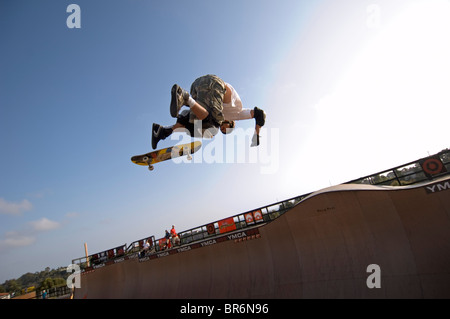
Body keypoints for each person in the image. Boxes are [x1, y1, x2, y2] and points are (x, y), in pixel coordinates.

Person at [151, 74, 266, 149]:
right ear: (230, 123)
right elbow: (260, 114)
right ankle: (185, 97)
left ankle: (162, 131)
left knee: (193, 126)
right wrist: (256, 135)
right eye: (224, 128)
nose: (221, 127)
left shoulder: (216, 111)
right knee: (212, 124)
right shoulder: (237, 114)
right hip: (215, 85)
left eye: (222, 130)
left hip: (196, 86)